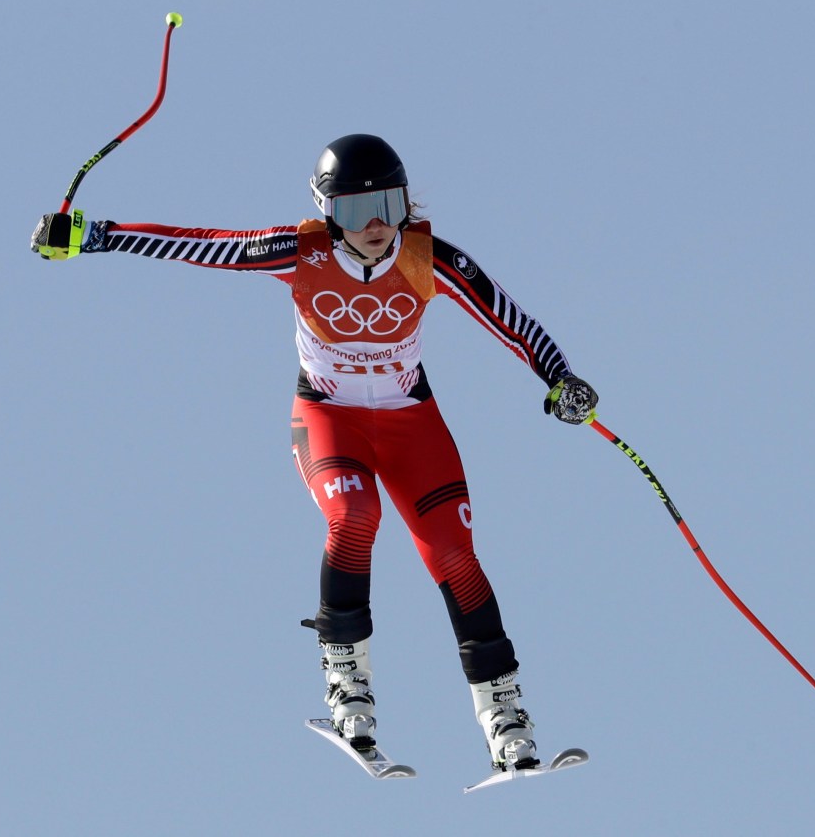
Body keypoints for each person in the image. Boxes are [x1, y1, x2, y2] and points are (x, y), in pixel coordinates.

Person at [31, 134, 599, 771]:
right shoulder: (299, 253)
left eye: (389, 204)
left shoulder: (426, 259)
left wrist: (561, 379)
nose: (378, 225)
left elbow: (513, 321)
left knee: (454, 555)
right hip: (329, 418)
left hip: (412, 423)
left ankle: (504, 715)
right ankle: (348, 686)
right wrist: (94, 233)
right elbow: (203, 246)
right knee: (355, 519)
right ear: (329, 212)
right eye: (358, 212)